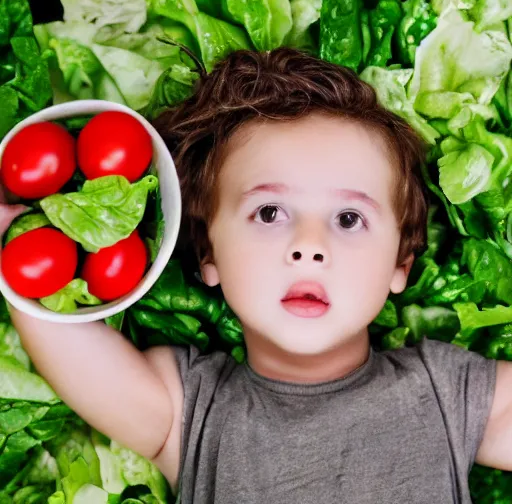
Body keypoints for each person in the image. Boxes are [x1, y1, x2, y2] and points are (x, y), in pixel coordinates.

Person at [1, 48, 511, 504]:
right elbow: (48, 317)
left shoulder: (449, 394)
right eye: (269, 214)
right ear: (210, 253)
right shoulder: (189, 412)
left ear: (401, 263)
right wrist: (13, 229)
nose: (309, 247)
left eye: (349, 219)